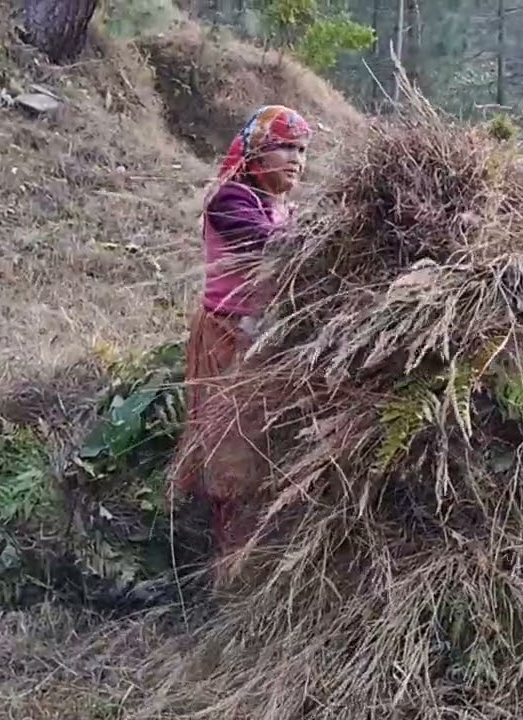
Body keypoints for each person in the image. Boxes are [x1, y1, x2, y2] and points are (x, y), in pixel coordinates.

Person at [173, 105, 313, 573]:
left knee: (267, 446)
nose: (295, 160)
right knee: (228, 449)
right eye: (284, 148)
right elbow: (273, 247)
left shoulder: (285, 208)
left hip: (266, 341)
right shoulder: (231, 200)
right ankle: (226, 561)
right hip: (226, 340)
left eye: (301, 150)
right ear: (256, 152)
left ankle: (258, 546)